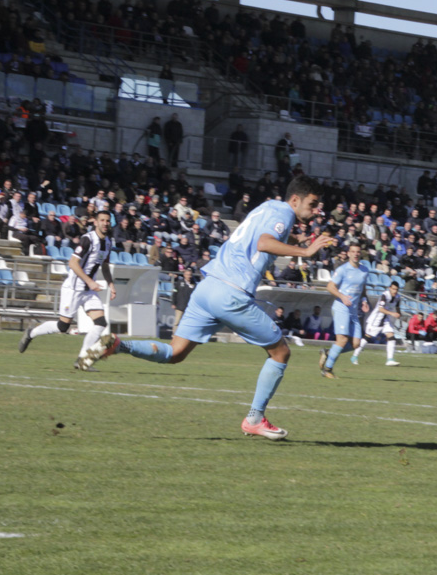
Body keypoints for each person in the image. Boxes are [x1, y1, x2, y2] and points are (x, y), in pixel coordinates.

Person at [86, 176, 333, 441]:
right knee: (280, 352)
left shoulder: (269, 207)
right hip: (231, 292)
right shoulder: (283, 212)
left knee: (176, 352)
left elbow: (256, 236)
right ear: (295, 199)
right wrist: (304, 252)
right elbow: (263, 242)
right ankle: (254, 418)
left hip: (207, 288)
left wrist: (296, 237)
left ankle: (118, 345)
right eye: (313, 203)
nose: (316, 210)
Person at [19, 211, 118, 370]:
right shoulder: (87, 239)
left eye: (108, 220)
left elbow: (104, 265)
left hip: (88, 290)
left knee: (100, 323)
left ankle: (82, 360)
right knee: (62, 327)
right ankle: (32, 333)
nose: (105, 223)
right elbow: (72, 263)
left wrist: (111, 284)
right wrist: (90, 281)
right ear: (96, 222)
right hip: (74, 288)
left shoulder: (107, 242)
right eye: (102, 220)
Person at [319, 243, 371, 377]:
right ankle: (327, 370)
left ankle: (328, 353)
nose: (355, 254)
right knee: (342, 340)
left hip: (354, 310)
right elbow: (330, 287)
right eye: (353, 251)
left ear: (360, 254)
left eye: (358, 252)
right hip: (341, 308)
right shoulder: (343, 269)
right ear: (348, 254)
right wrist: (342, 296)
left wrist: (364, 301)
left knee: (356, 344)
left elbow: (362, 289)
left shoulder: (365, 270)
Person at [361, 281, 403, 367]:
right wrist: (392, 314)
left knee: (391, 337)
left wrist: (398, 313)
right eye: (393, 289)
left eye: (397, 289)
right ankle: (355, 355)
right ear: (390, 288)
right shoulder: (385, 295)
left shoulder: (398, 297)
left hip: (386, 319)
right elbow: (381, 309)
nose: (395, 291)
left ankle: (390, 360)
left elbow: (398, 307)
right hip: (377, 319)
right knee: (368, 336)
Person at [171, 268, 196, 333]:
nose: (189, 276)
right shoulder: (179, 282)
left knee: (187, 323)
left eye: (190, 275)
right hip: (180, 306)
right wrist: (173, 303)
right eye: (187, 275)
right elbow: (174, 292)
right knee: (177, 322)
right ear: (184, 275)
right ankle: (174, 335)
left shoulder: (193, 284)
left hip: (189, 307)